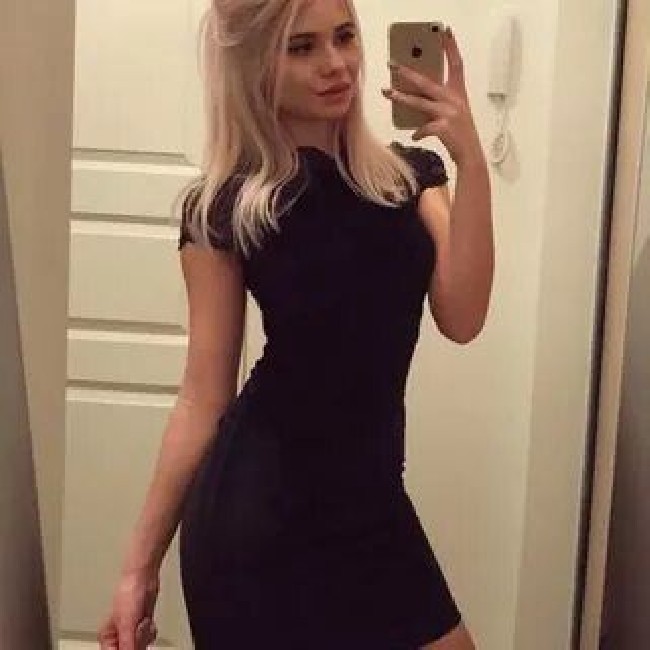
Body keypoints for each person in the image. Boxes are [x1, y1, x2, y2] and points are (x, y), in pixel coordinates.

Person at [99, 0, 493, 647]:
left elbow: (464, 315)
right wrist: (137, 571)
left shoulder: (412, 178)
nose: (336, 63)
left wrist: (471, 159)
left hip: (373, 504)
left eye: (344, 36)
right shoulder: (227, 206)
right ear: (257, 65)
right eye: (302, 47)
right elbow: (202, 397)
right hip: (260, 518)